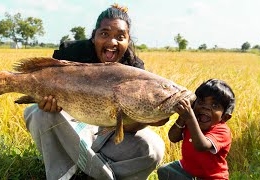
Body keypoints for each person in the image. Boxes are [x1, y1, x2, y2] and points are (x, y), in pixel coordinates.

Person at [24, 4, 167, 180]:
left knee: (154, 148)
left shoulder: (135, 69)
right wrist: (45, 102)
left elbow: (127, 127)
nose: (112, 42)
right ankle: (72, 174)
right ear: (94, 37)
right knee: (38, 113)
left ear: (128, 41)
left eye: (120, 37)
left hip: (107, 134)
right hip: (71, 128)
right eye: (105, 34)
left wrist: (149, 118)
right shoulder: (72, 52)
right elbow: (43, 80)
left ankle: (86, 168)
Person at [157, 79, 236, 180]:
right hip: (187, 170)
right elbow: (173, 137)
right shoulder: (192, 120)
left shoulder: (222, 130)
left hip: (211, 177)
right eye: (201, 101)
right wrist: (182, 117)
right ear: (194, 104)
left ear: (225, 117)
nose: (205, 107)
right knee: (164, 170)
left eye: (214, 105)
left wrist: (189, 118)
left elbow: (201, 146)